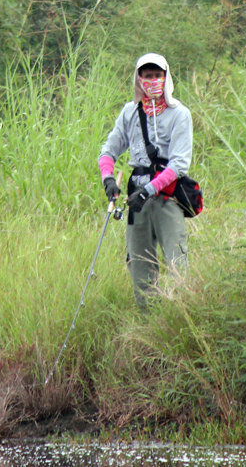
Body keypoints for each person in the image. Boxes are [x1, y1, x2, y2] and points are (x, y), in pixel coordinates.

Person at [98, 53, 193, 310]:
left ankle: (181, 319)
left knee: (176, 263)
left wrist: (149, 189)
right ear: (139, 79)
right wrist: (108, 179)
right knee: (140, 266)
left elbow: (179, 164)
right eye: (147, 76)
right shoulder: (130, 112)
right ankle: (147, 323)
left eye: (157, 75)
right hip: (136, 199)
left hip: (167, 198)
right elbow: (108, 150)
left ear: (166, 77)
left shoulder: (179, 114)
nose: (152, 81)